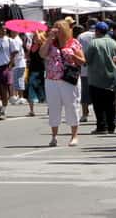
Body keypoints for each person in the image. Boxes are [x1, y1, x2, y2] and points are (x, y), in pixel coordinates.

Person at [40, 19, 85, 147]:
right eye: (55, 28)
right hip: (52, 79)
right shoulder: (50, 43)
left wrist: (73, 56)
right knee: (53, 107)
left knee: (71, 106)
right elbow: (42, 54)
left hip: (69, 79)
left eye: (59, 28)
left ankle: (74, 136)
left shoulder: (73, 42)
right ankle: (54, 136)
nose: (56, 31)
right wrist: (49, 38)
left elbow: (82, 61)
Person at [85, 21, 116, 134]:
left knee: (98, 104)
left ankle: (102, 126)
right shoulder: (114, 43)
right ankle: (111, 125)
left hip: (97, 78)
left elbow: (87, 60)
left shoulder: (93, 43)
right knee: (111, 103)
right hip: (112, 77)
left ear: (96, 31)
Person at [0, 24, 18, 120]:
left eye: (5, 29)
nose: (4, 31)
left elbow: (14, 52)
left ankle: (3, 111)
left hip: (5, 67)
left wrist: (11, 62)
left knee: (4, 90)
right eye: (2, 29)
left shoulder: (10, 40)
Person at [76, 23, 95, 123]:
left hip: (84, 68)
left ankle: (84, 114)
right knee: (97, 92)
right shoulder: (100, 35)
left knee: (85, 92)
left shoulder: (81, 36)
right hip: (97, 69)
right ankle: (99, 114)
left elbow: (77, 50)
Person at [7, 28, 28, 107]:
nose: (12, 32)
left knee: (19, 80)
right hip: (18, 63)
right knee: (17, 80)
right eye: (11, 31)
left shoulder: (17, 40)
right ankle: (18, 96)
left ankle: (21, 97)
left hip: (19, 63)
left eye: (13, 31)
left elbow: (15, 51)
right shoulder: (15, 39)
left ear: (17, 31)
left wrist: (11, 61)